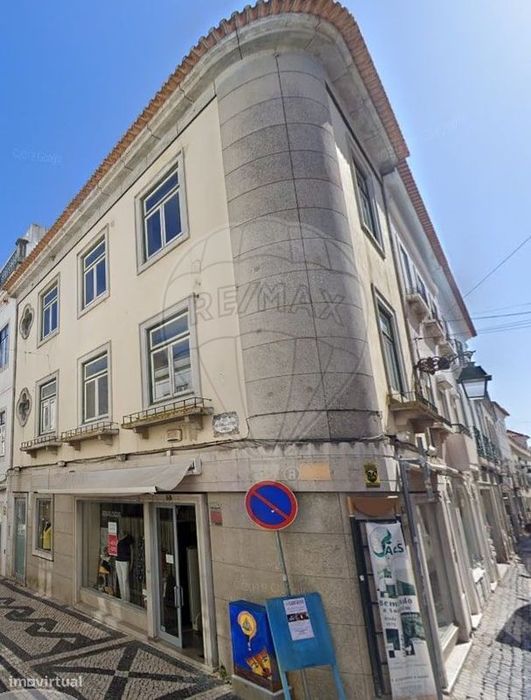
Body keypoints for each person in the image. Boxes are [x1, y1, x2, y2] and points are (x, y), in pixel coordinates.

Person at [115, 531, 134, 602]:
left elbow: (132, 551)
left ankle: (127, 599)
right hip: (117, 560)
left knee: (125, 579)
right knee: (120, 579)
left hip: (125, 561)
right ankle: (122, 597)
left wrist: (131, 562)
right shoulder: (116, 537)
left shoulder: (128, 538)